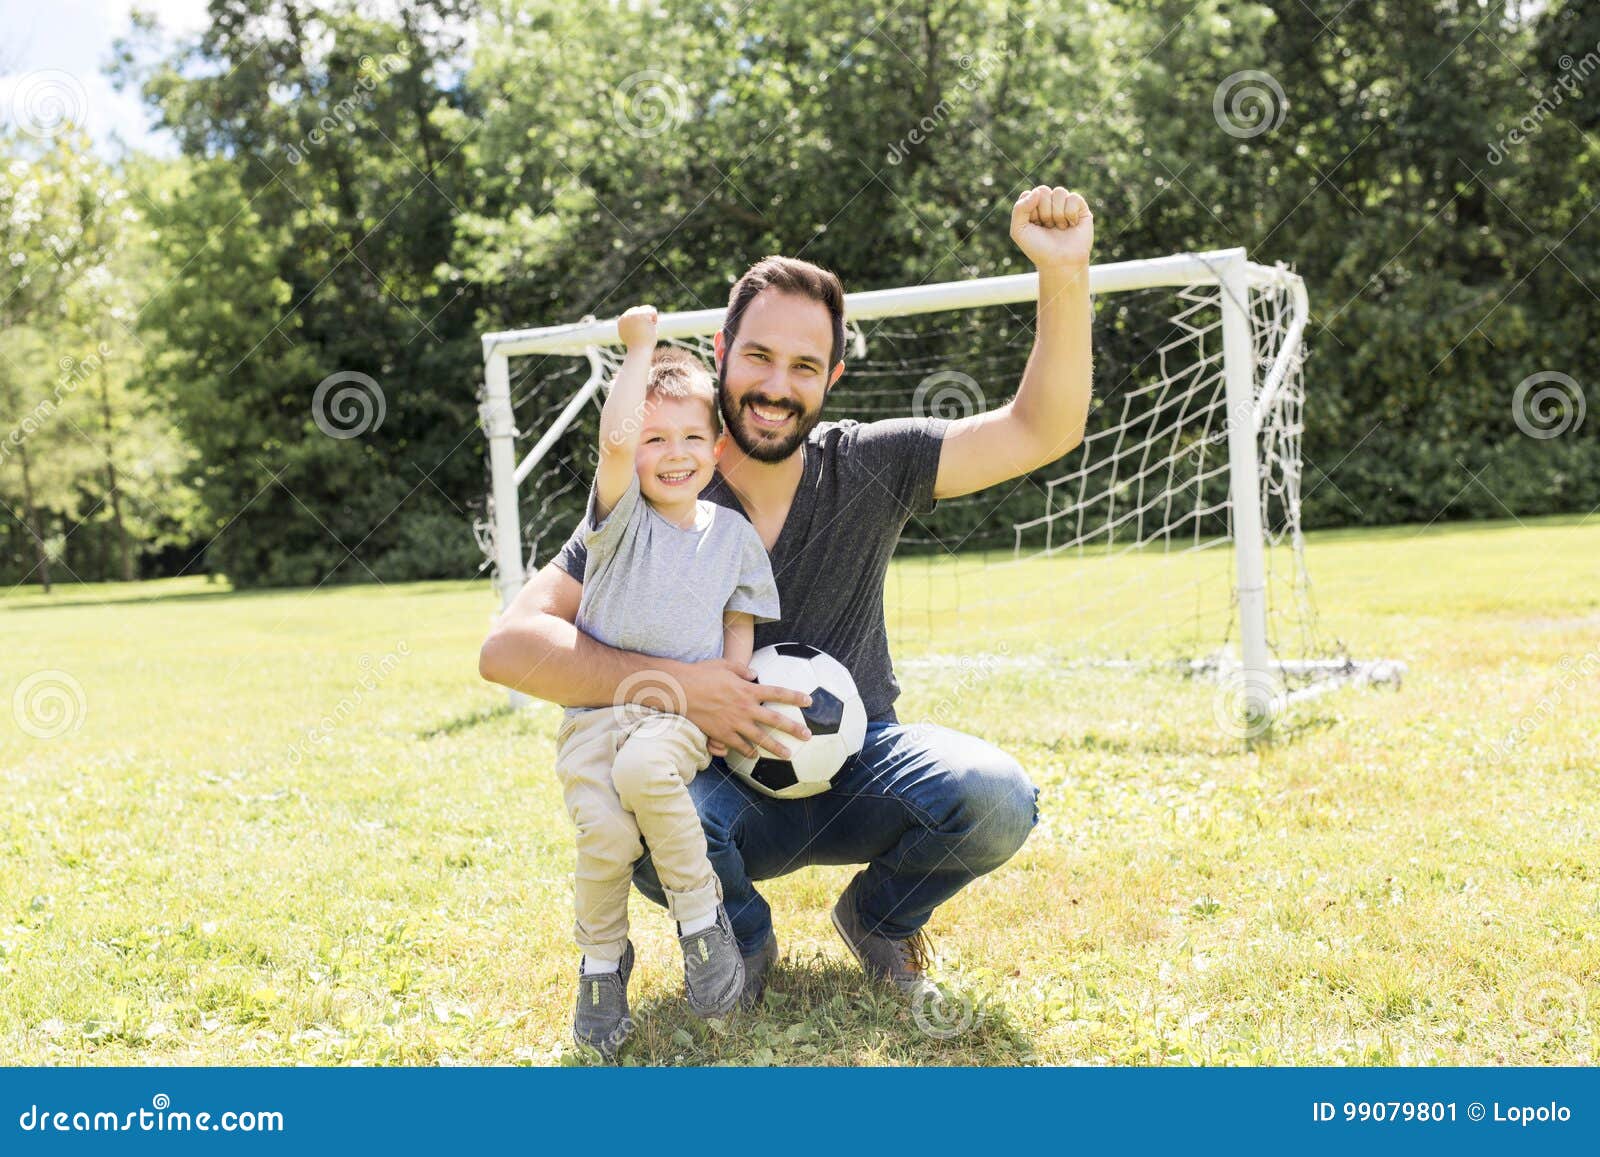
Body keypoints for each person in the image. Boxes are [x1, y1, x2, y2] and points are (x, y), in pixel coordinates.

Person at [481, 184, 1095, 1010]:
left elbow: (1041, 429)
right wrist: (679, 687)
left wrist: (1064, 272)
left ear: (833, 376)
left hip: (859, 767)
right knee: (645, 814)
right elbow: (510, 646)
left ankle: (879, 918)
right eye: (760, 357)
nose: (777, 385)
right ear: (720, 350)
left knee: (996, 796)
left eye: (805, 366)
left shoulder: (873, 466)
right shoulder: (662, 491)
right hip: (717, 785)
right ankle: (744, 937)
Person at [551, 304, 781, 1060]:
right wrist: (640, 350)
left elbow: (739, 624)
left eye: (690, 437)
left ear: (716, 445)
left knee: (649, 770)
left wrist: (729, 693)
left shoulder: (735, 536)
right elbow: (615, 440)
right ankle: (601, 962)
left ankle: (699, 918)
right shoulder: (619, 521)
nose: (673, 454)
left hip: (675, 713)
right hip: (593, 717)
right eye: (655, 439)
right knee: (607, 835)